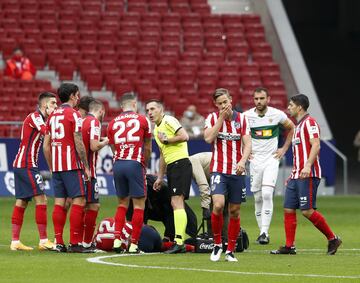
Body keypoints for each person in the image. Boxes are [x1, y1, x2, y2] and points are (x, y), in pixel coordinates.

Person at [271, 94, 342, 255]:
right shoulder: (296, 127)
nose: (288, 107)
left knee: (307, 211)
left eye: (291, 105)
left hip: (308, 174)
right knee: (288, 209)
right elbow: (298, 153)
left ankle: (333, 239)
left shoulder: (310, 123)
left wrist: (308, 166)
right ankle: (290, 246)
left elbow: (316, 145)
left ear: (300, 107)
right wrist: (293, 174)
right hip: (296, 175)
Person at [204, 88, 251, 262]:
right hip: (218, 170)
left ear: (231, 100)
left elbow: (247, 144)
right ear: (216, 105)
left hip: (237, 171)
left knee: (235, 211)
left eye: (226, 102)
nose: (224, 105)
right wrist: (221, 119)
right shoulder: (212, 118)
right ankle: (217, 244)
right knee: (218, 205)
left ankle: (230, 250)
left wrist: (242, 161)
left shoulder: (243, 119)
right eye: (220, 103)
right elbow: (208, 139)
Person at [43, 83, 91, 253]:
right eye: (77, 95)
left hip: (57, 167)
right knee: (79, 200)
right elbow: (78, 141)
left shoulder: (52, 115)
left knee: (60, 203)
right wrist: (86, 166)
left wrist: (51, 167)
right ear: (72, 96)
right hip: (71, 165)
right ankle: (75, 243)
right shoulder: (74, 114)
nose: (78, 98)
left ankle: (59, 242)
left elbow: (46, 146)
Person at [244, 87, 295, 244]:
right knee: (258, 197)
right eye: (256, 99)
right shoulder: (246, 116)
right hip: (254, 160)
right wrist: (244, 152)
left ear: (268, 99)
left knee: (266, 194)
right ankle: (262, 232)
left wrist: (284, 148)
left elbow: (292, 127)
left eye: (261, 98)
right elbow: (239, 134)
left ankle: (265, 232)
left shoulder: (277, 114)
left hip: (271, 159)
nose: (259, 101)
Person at [10, 92, 57, 251]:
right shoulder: (35, 117)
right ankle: (43, 240)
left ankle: (15, 242)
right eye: (53, 104)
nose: (55, 107)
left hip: (23, 164)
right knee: (42, 198)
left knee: (22, 201)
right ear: (45, 106)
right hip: (26, 164)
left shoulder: (41, 118)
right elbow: (47, 131)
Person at [145, 99, 193, 254]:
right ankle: (179, 241)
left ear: (161, 109)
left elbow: (184, 136)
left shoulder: (169, 120)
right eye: (147, 110)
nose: (150, 113)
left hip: (180, 163)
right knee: (175, 203)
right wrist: (160, 177)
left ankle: (179, 242)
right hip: (172, 166)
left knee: (176, 201)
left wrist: (168, 139)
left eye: (153, 109)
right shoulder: (156, 130)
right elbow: (162, 154)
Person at [107, 93, 152, 254]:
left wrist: (120, 156)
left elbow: (112, 148)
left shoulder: (112, 123)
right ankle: (134, 244)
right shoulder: (142, 120)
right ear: (134, 103)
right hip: (135, 163)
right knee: (139, 204)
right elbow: (147, 146)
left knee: (122, 204)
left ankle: (117, 240)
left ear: (121, 106)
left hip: (118, 164)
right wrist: (143, 163)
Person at [127, 174, 198, 242]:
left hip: (165, 207)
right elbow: (130, 218)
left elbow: (171, 213)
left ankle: (170, 238)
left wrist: (168, 236)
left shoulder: (162, 190)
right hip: (151, 206)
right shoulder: (133, 193)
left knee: (172, 212)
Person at [81, 99, 109, 250]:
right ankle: (86, 242)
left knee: (82, 205)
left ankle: (78, 241)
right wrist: (107, 141)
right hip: (89, 171)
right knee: (94, 205)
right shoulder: (95, 122)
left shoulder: (83, 120)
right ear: (101, 111)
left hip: (78, 170)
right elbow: (94, 145)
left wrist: (100, 140)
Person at [189, 152, 212, 220]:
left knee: (217, 206)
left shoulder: (192, 162)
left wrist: (205, 207)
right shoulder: (189, 163)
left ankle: (235, 228)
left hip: (225, 170)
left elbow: (203, 184)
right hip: (217, 174)